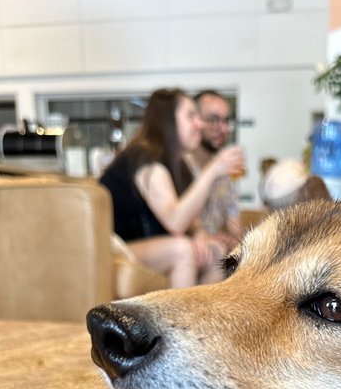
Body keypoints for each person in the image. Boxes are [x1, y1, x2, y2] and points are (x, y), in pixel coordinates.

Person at [99, 88, 244, 288]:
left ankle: (197, 309)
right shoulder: (145, 160)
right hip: (117, 248)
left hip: (152, 246)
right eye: (191, 116)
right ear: (168, 120)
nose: (200, 124)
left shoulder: (179, 166)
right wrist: (215, 169)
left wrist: (200, 235)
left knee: (217, 252)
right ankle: (179, 311)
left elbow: (191, 222)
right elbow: (175, 221)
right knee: (182, 251)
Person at [192, 90, 242, 250]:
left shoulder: (225, 172)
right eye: (214, 120)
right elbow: (182, 225)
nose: (223, 128)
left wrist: (234, 240)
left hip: (216, 256)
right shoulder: (179, 167)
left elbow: (235, 227)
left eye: (226, 120)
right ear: (195, 122)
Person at [258, 157, 330, 209]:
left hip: (274, 202)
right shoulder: (292, 164)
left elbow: (264, 197)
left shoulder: (272, 174)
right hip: (291, 195)